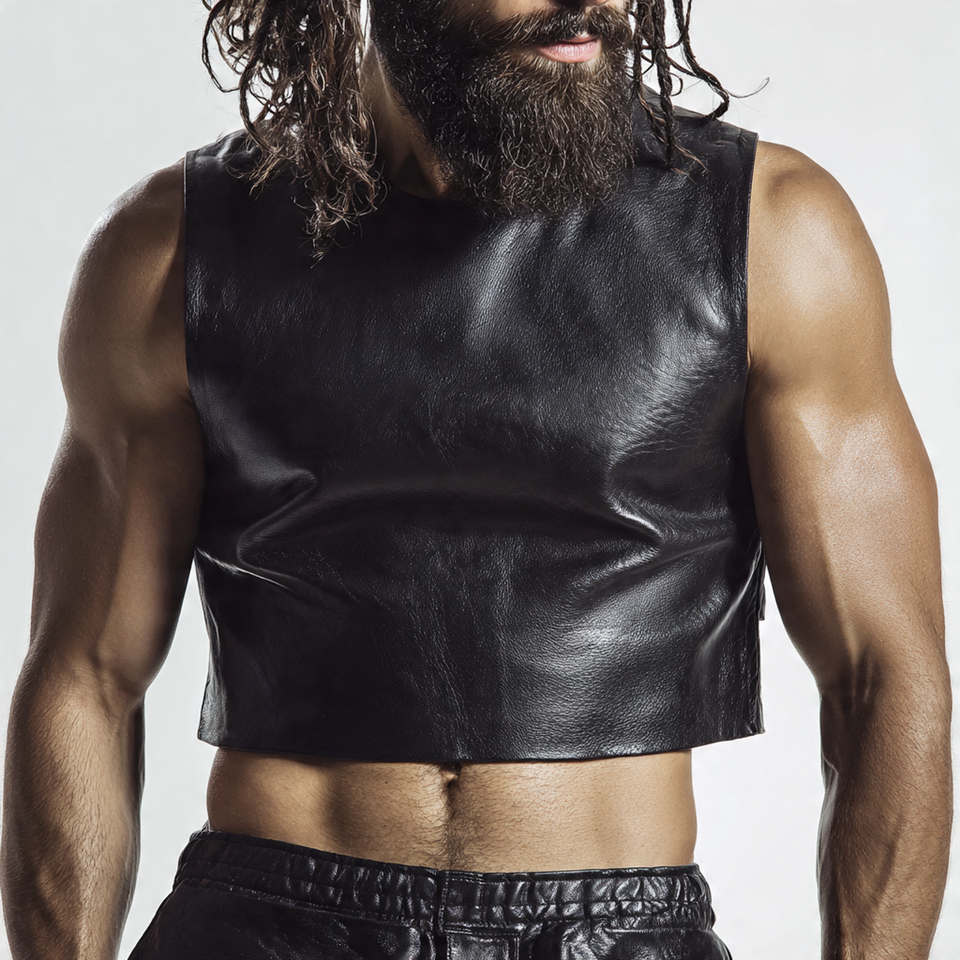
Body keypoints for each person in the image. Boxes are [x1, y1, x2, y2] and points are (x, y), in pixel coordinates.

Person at [1, 0, 952, 957]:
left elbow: (885, 672)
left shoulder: (772, 233)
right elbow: (86, 674)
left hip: (612, 931)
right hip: (268, 922)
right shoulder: (172, 249)